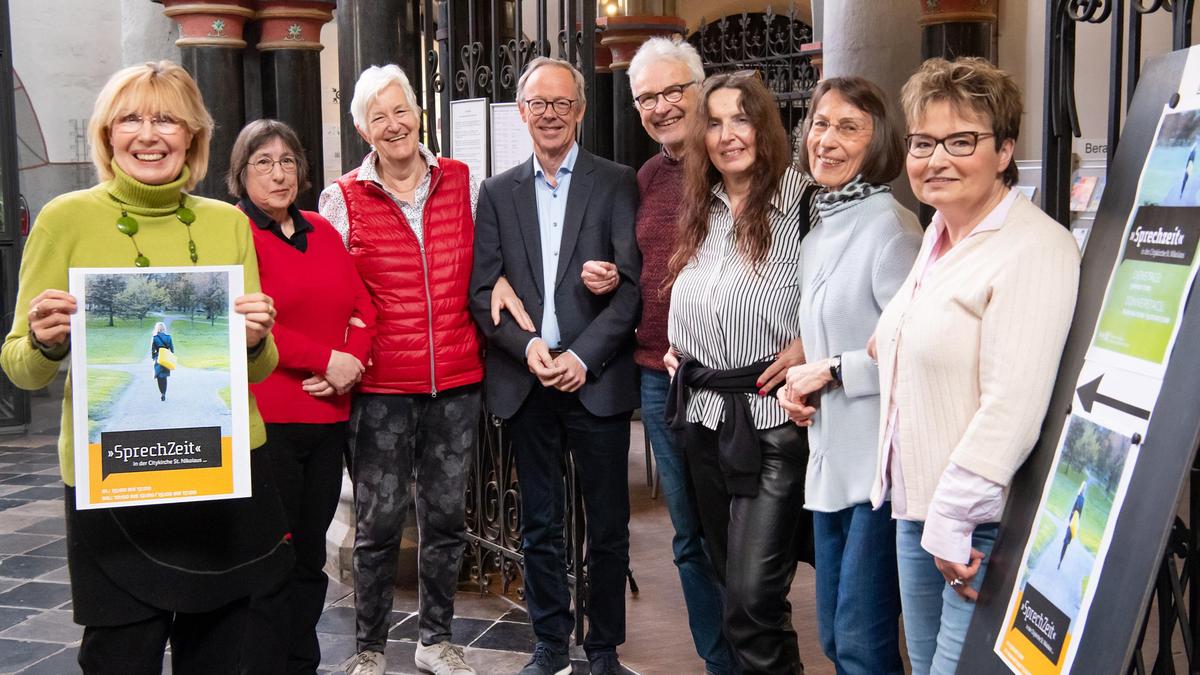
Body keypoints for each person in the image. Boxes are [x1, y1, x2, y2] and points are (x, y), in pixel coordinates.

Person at [0, 60, 290, 673]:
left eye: (167, 119)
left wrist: (256, 338)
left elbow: (259, 371)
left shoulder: (228, 224)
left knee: (220, 657)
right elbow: (21, 368)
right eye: (131, 118)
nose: (149, 134)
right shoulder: (64, 220)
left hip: (222, 471)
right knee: (118, 658)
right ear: (108, 134)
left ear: (193, 135)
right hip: (117, 482)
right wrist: (47, 343)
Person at [870, 57, 1080, 675]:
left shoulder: (1034, 246)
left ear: (1005, 149)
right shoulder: (939, 233)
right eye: (923, 142)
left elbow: (1012, 405)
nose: (937, 159)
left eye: (961, 141)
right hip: (916, 510)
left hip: (977, 525)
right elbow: (896, 338)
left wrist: (953, 521)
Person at [469, 57, 641, 675]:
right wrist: (530, 348)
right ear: (522, 112)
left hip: (595, 381)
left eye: (562, 103)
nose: (549, 114)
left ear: (582, 110)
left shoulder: (616, 181)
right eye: (538, 104)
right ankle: (548, 644)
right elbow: (482, 290)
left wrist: (582, 357)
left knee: (609, 525)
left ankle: (603, 650)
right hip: (527, 383)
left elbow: (632, 287)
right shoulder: (494, 193)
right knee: (539, 523)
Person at [319, 64, 480, 675]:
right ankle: (369, 649)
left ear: (419, 114)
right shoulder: (344, 197)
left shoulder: (463, 181)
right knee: (379, 524)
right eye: (378, 116)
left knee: (445, 519)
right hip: (380, 388)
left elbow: (492, 264)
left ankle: (436, 639)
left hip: (457, 382)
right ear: (364, 129)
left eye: (401, 110)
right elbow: (330, 290)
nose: (394, 125)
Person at [664, 71, 817, 675]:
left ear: (764, 127)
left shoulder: (805, 202)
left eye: (742, 119)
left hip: (772, 424)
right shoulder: (702, 206)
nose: (729, 135)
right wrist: (683, 349)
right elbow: (697, 300)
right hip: (702, 421)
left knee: (752, 599)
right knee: (740, 596)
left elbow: (849, 295)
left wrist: (813, 341)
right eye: (716, 122)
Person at [776, 76, 920, 675]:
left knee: (861, 643)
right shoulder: (820, 230)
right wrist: (801, 386)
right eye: (821, 124)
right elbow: (829, 340)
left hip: (880, 471)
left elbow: (912, 349)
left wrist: (833, 372)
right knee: (837, 640)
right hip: (830, 461)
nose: (826, 140)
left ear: (879, 142)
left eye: (848, 128)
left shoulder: (891, 227)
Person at [229, 118, 376, 674]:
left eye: (288, 161)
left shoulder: (321, 229)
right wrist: (323, 359)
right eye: (263, 162)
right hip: (269, 420)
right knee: (272, 557)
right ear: (241, 174)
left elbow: (364, 307)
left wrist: (352, 362)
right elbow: (247, 317)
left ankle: (301, 660)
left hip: (327, 417)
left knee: (312, 556)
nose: (278, 173)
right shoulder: (236, 233)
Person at [151, 321, 174, 401]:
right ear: (164, 328)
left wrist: (154, 357)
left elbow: (153, 350)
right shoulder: (168, 337)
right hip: (166, 358)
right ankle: (164, 393)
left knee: (159, 377)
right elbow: (172, 349)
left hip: (158, 358)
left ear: (157, 328)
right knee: (164, 377)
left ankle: (161, 393)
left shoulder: (155, 338)